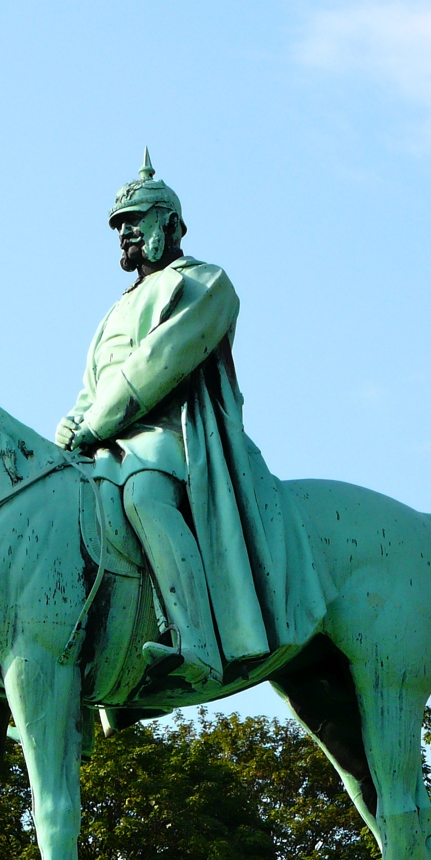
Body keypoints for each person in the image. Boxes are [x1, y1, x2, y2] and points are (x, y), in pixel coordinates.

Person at [56, 151, 326, 690]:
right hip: (110, 441)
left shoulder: (204, 282)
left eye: (134, 221)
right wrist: (70, 426)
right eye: (118, 226)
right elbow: (95, 383)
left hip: (176, 438)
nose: (124, 234)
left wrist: (95, 424)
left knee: (144, 497)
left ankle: (195, 641)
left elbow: (157, 365)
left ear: (169, 224)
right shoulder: (115, 308)